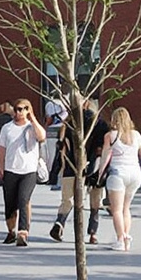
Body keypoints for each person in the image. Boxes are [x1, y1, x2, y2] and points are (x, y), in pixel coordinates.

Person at [49, 98, 108, 245]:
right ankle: (93, 232)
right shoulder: (100, 124)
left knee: (67, 199)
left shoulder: (69, 124)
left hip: (71, 166)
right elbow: (102, 149)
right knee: (95, 201)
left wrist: (60, 168)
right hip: (94, 167)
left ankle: (60, 222)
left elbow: (63, 148)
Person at [96, 106, 141, 251]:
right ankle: (126, 236)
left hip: (118, 173)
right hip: (135, 173)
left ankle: (120, 239)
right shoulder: (136, 135)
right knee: (126, 208)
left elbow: (106, 156)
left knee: (116, 210)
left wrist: (100, 173)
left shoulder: (110, 136)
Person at [0, 99, 47, 247]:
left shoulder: (32, 127)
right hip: (11, 169)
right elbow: (1, 148)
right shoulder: (7, 128)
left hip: (29, 170)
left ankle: (23, 232)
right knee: (10, 203)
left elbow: (42, 137)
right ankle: (11, 231)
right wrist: (1, 167)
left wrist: (33, 119)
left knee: (24, 199)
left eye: (24, 109)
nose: (20, 112)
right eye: (18, 109)